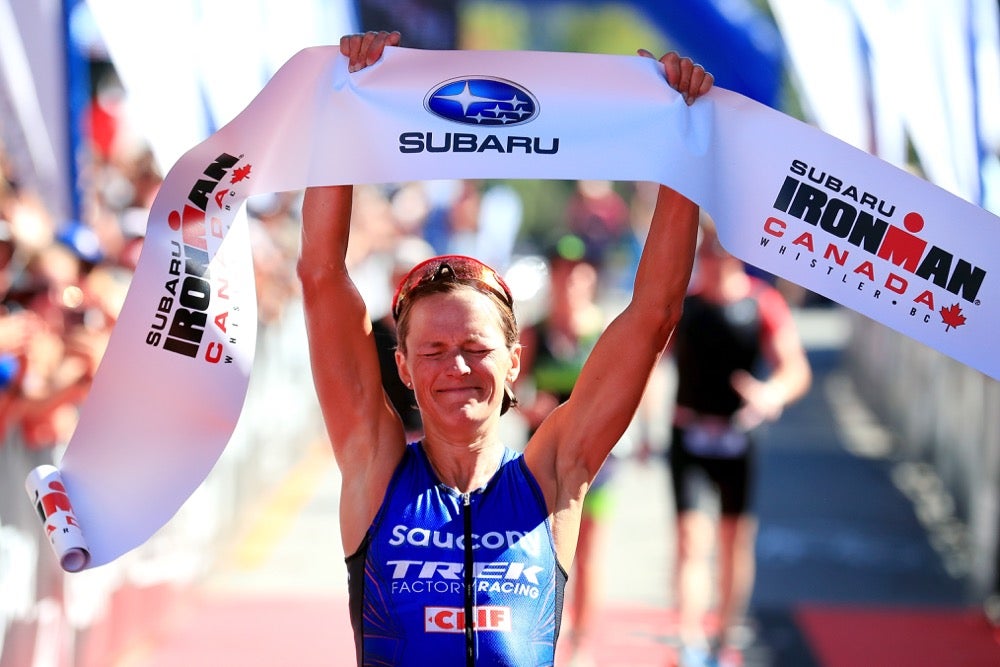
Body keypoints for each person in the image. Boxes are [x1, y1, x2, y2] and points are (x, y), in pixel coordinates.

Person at [299, 30, 713, 666]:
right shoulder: (374, 467)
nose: (456, 366)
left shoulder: (553, 476)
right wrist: (342, 109)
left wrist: (681, 143)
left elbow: (654, 313)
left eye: (476, 345)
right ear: (402, 367)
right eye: (432, 350)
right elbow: (322, 277)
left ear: (516, 360)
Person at [667, 216, 812, 667]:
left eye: (720, 251)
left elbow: (795, 368)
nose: (711, 260)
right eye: (706, 251)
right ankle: (690, 639)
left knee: (734, 540)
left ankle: (725, 637)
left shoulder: (762, 303)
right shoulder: (685, 307)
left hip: (737, 435)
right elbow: (650, 362)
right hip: (690, 432)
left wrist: (772, 394)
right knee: (691, 539)